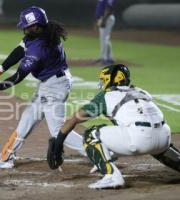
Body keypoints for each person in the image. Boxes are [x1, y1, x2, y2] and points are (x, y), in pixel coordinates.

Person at [0, 6, 86, 169]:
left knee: (58, 132)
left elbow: (18, 77)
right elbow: (20, 50)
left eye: (26, 26)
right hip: (50, 83)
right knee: (28, 118)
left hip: (55, 87)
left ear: (36, 26)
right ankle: (6, 158)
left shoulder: (39, 49)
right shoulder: (40, 32)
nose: (24, 29)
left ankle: (97, 150)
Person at [50, 64, 180, 189]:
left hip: (139, 139)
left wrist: (59, 142)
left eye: (104, 79)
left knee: (91, 134)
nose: (102, 83)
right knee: (150, 132)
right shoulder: (141, 91)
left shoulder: (106, 95)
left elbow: (74, 119)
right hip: (164, 139)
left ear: (112, 79)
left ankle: (111, 175)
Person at [95, 0, 115, 65]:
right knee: (105, 39)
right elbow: (99, 9)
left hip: (107, 18)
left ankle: (105, 59)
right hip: (102, 18)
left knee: (104, 39)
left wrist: (103, 21)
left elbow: (108, 9)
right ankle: (109, 58)